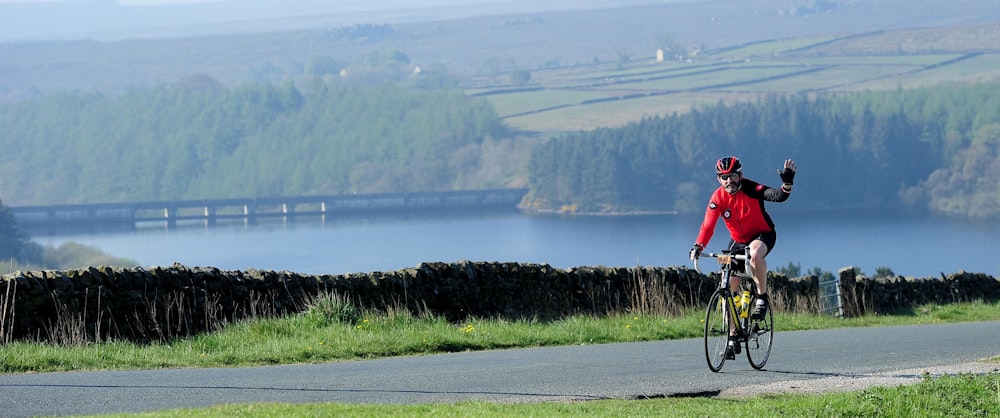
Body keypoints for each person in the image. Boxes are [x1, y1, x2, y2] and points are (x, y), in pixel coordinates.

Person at [688, 156, 796, 359]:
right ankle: (732, 336)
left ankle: (761, 298)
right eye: (724, 177)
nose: (729, 181)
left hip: (762, 235)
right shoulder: (718, 197)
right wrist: (698, 246)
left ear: (740, 176)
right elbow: (708, 225)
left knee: (754, 254)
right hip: (738, 241)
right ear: (720, 179)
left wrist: (787, 183)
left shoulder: (751, 189)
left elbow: (779, 196)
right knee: (727, 282)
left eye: (733, 177)